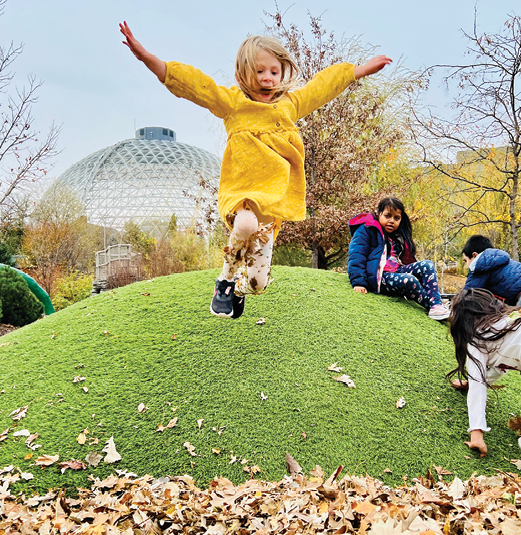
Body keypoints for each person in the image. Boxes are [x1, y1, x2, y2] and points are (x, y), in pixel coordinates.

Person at [120, 22, 392, 319]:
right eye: (259, 72)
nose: (267, 79)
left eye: (274, 72)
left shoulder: (289, 105)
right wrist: (149, 59)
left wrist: (359, 70)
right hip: (239, 193)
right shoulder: (233, 104)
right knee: (246, 224)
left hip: (271, 203)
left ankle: (238, 289)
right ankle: (224, 282)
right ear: (241, 76)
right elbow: (196, 86)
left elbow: (320, 87)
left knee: (258, 283)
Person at [448, 288, 521, 459]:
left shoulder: (478, 338)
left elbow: (477, 383)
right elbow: (499, 366)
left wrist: (476, 433)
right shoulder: (509, 318)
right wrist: (470, 384)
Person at [347, 196, 449, 320]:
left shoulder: (398, 235)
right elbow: (357, 255)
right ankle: (431, 306)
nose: (392, 221)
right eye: (387, 216)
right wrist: (358, 282)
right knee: (409, 280)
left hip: (396, 271)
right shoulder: (367, 229)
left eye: (396, 218)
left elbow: (405, 259)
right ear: (378, 214)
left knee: (427, 265)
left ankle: (437, 305)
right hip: (379, 277)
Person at [462, 235, 521, 306]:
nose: (467, 266)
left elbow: (468, 295)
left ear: (475, 255)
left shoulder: (480, 264)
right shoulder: (496, 260)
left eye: (466, 261)